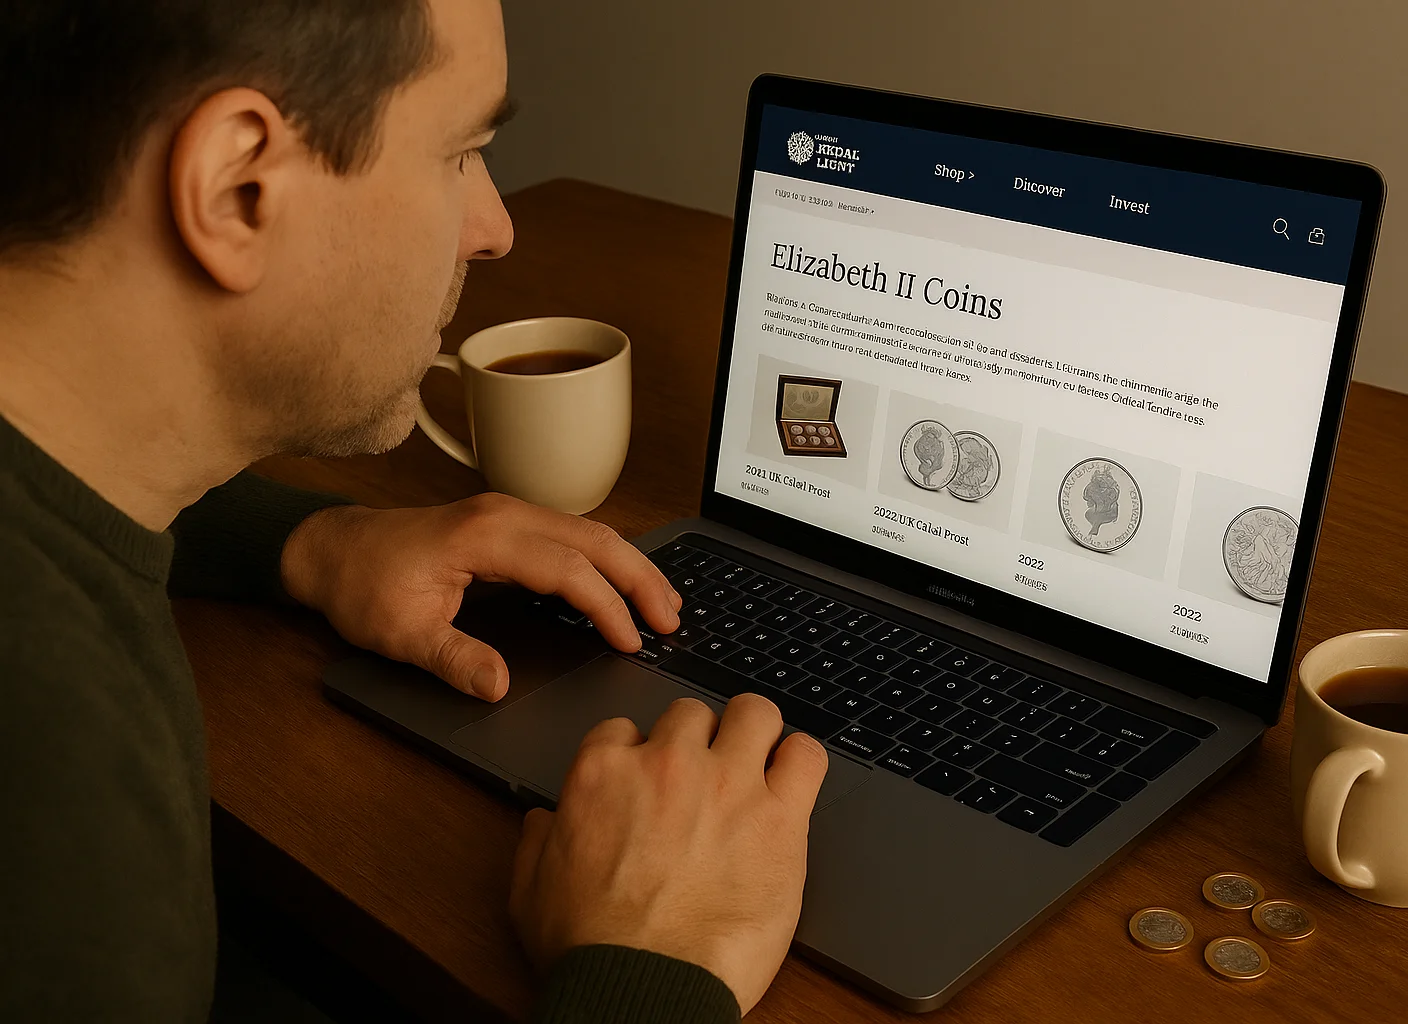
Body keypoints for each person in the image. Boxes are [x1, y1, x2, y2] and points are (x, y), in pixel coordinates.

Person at [0, 1, 827, 1021]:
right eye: (463, 152)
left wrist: (314, 541)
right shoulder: (63, 819)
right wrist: (644, 965)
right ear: (236, 185)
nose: (496, 228)